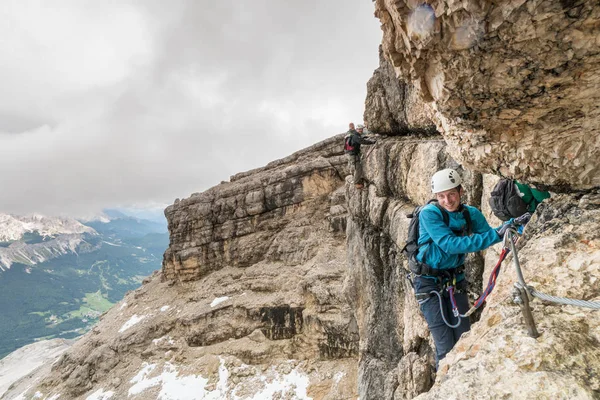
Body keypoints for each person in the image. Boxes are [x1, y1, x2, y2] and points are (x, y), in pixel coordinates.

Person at [414, 168, 529, 368]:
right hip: (429, 285)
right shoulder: (429, 213)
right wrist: (498, 234)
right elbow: (449, 244)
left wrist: (513, 227)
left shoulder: (471, 214)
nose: (447, 200)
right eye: (441, 196)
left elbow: (489, 235)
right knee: (445, 345)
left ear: (461, 191)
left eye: (451, 194)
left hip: (455, 281)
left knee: (463, 339)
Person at [344, 123, 375, 189]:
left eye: (361, 129)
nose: (360, 130)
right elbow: (361, 141)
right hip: (353, 155)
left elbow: (360, 139)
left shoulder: (355, 134)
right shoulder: (355, 136)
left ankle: (358, 179)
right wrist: (372, 142)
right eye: (359, 129)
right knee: (358, 168)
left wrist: (365, 137)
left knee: (357, 167)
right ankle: (356, 183)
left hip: (353, 154)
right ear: (356, 129)